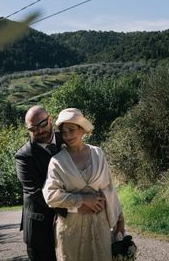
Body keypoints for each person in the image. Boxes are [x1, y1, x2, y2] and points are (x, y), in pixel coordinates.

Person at [43, 107, 125, 261]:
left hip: (99, 224)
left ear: (82, 130)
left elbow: (109, 187)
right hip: (71, 228)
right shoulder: (57, 161)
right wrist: (82, 200)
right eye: (64, 132)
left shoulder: (98, 153)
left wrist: (120, 218)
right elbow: (50, 196)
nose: (67, 135)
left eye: (71, 130)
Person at [15, 106, 63, 261]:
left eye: (42, 124)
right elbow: (36, 192)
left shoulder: (67, 139)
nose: (39, 131)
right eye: (33, 128)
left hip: (72, 228)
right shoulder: (23, 156)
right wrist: (77, 206)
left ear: (50, 120)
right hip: (39, 229)